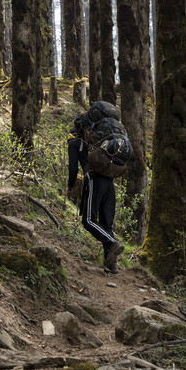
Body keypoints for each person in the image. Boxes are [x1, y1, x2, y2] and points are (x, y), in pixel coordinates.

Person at [67, 116, 124, 273]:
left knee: (88, 220)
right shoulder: (101, 141)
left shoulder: (74, 143)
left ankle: (112, 243)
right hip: (109, 181)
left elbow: (73, 169)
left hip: (94, 180)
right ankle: (111, 263)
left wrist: (70, 187)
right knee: (107, 223)